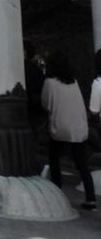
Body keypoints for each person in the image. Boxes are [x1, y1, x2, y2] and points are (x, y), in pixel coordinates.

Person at [41, 51, 96, 210]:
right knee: (82, 165)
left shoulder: (49, 83)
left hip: (60, 128)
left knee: (54, 159)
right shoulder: (74, 82)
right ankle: (91, 199)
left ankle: (58, 193)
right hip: (77, 128)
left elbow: (46, 104)